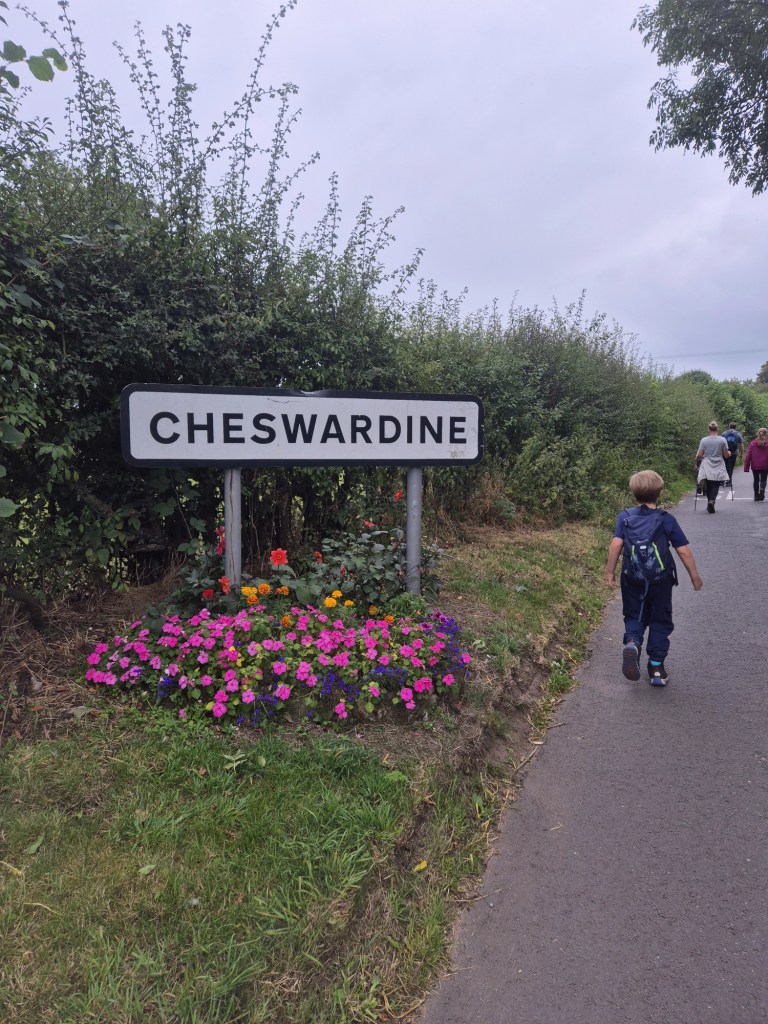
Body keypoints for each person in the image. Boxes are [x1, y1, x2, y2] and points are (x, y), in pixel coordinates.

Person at [605, 470, 703, 686]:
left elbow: (616, 545)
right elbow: (683, 550)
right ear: (659, 493)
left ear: (634, 493)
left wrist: (610, 572)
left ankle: (633, 642)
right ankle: (656, 668)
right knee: (660, 619)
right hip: (661, 580)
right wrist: (694, 576)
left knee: (634, 615)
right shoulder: (666, 520)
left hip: (632, 579)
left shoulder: (625, 517)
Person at [695, 421, 730, 513]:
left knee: (709, 483)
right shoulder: (722, 440)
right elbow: (726, 455)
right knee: (716, 483)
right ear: (718, 429)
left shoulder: (704, 440)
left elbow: (701, 454)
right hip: (718, 463)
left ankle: (709, 501)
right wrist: (729, 453)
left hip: (707, 463)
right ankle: (712, 500)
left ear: (708, 430)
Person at [743, 427, 768, 500]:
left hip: (755, 465)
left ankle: (756, 495)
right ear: (766, 434)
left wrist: (746, 467)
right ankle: (762, 490)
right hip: (765, 465)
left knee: (756, 480)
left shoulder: (753, 443)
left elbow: (748, 455)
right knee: (763, 479)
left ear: (758, 433)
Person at [721, 421, 744, 487]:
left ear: (729, 426)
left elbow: (720, 443)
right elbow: (741, 445)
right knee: (731, 467)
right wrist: (741, 453)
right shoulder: (738, 434)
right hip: (734, 453)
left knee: (724, 466)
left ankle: (722, 481)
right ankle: (729, 481)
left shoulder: (724, 433)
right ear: (735, 427)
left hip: (725, 452)